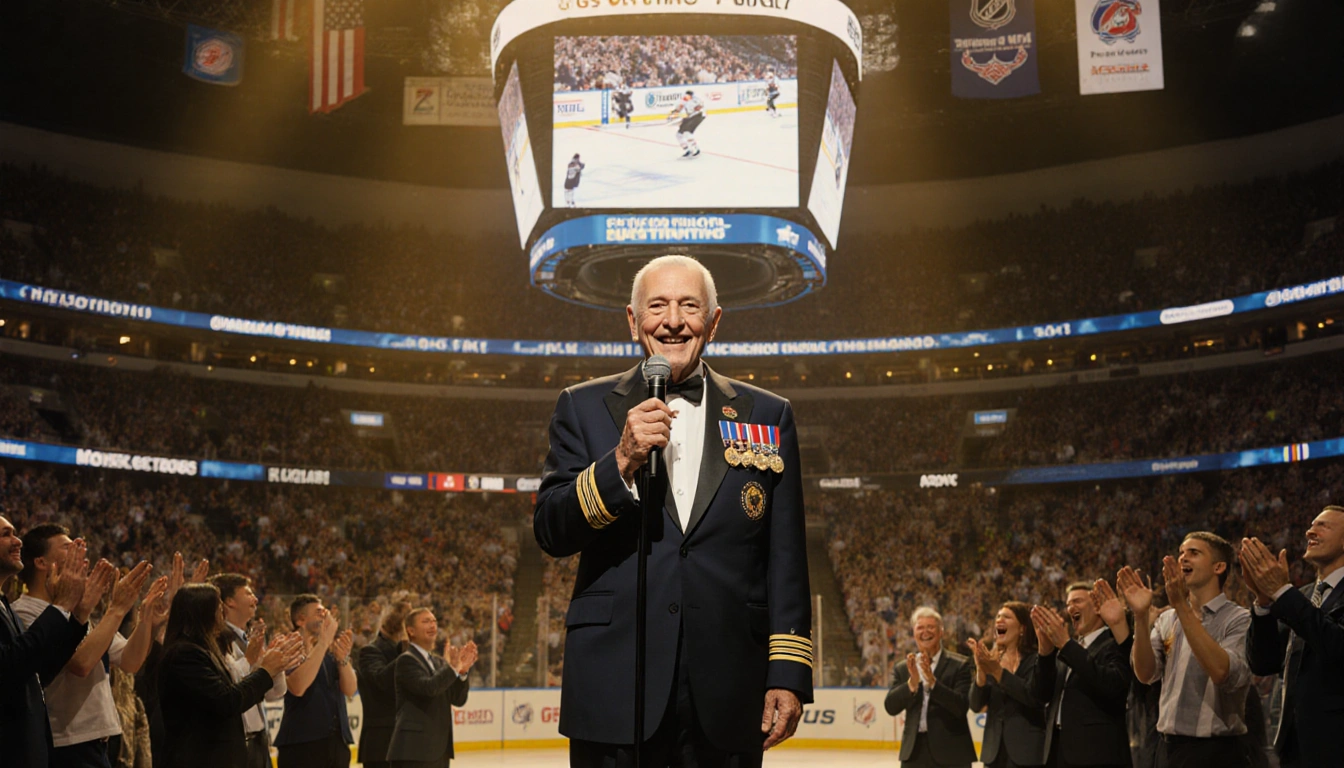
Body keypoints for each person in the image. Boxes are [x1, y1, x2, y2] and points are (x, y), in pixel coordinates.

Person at [534, 255, 812, 767]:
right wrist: (619, 463)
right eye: (657, 306)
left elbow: (786, 556)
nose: (673, 321)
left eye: (689, 306)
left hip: (729, 689)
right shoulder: (581, 406)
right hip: (615, 684)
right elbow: (551, 531)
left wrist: (788, 672)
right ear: (632, 320)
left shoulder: (769, 414)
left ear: (714, 321)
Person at [13, 524, 161, 768]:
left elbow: (130, 661)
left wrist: (146, 618)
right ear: (41, 562)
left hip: (97, 741)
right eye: (70, 548)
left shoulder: (77, 611)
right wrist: (116, 609)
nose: (82, 556)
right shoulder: (25, 612)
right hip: (65, 742)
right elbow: (80, 663)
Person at [1119, 532, 1252, 768]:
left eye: (1194, 553)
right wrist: (1140, 617)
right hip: (1168, 749)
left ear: (1218, 567)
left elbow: (1223, 672)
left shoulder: (1239, 619)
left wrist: (1181, 605)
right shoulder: (1167, 619)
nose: (1183, 558)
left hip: (1215, 752)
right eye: (1181, 552)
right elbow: (1145, 673)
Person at [156, 584, 304, 768]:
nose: (223, 614)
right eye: (218, 608)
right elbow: (227, 701)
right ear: (203, 613)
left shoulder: (201, 651)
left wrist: (270, 668)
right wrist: (264, 671)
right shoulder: (185, 654)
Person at [0, 517, 108, 768]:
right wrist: (60, 607)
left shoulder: (4, 604)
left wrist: (78, 616)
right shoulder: (20, 608)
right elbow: (6, 668)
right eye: (6, 534)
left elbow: (37, 672)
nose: (18, 541)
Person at [1242, 505, 1344, 768]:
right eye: (1311, 524)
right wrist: (1264, 603)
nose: (1311, 530)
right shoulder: (1304, 595)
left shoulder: (1293, 599)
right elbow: (1264, 663)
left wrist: (1283, 592)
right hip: (1294, 748)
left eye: (1324, 525)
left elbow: (1337, 645)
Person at [1030, 582, 1131, 768]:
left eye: (1077, 601)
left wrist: (1067, 645)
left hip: (1096, 755)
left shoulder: (1114, 641)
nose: (1070, 608)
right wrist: (1044, 651)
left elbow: (1114, 686)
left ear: (1099, 606)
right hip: (1058, 752)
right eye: (1068, 604)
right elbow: (1040, 694)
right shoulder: (1067, 650)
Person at [210, 573, 287, 768]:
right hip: (237, 744)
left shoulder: (250, 639)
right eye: (248, 593)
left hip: (260, 740)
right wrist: (251, 660)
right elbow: (227, 688)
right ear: (229, 602)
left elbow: (274, 693)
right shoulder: (216, 639)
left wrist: (277, 664)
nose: (255, 598)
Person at [385, 608, 478, 767]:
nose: (432, 625)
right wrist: (453, 668)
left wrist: (462, 672)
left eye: (434, 621)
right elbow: (429, 688)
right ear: (411, 630)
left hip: (439, 750)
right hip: (414, 751)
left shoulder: (439, 662)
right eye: (426, 621)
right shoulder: (406, 661)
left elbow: (458, 699)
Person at [885, 607, 976, 768]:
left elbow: (961, 706)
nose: (925, 632)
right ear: (914, 633)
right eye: (920, 627)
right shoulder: (904, 668)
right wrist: (911, 684)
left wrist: (933, 682)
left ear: (941, 632)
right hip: (913, 754)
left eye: (930, 627)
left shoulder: (960, 665)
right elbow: (891, 706)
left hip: (952, 754)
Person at [274, 595, 357, 768]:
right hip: (302, 744)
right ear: (301, 619)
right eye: (319, 612)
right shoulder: (288, 648)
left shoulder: (327, 652)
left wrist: (343, 660)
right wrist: (325, 642)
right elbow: (297, 687)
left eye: (325, 612)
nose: (325, 616)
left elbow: (350, 690)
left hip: (337, 742)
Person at [968, 602, 1047, 768]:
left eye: (1007, 616)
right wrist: (981, 673)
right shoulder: (991, 660)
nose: (999, 620)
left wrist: (998, 672)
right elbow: (976, 705)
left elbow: (1033, 697)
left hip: (1028, 754)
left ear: (1022, 629)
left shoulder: (1036, 660)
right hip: (994, 755)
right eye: (997, 616)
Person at [357, 600, 413, 768]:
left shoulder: (408, 651)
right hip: (381, 743)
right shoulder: (370, 651)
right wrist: (407, 651)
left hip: (409, 743)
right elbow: (383, 681)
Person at [669, 90, 705, 157]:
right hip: (690, 117)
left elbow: (700, 107)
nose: (687, 97)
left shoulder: (696, 100)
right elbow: (680, 107)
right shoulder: (684, 100)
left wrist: (697, 108)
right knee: (679, 134)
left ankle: (695, 149)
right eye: (686, 95)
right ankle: (687, 149)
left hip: (697, 116)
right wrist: (675, 113)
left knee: (687, 132)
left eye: (688, 95)